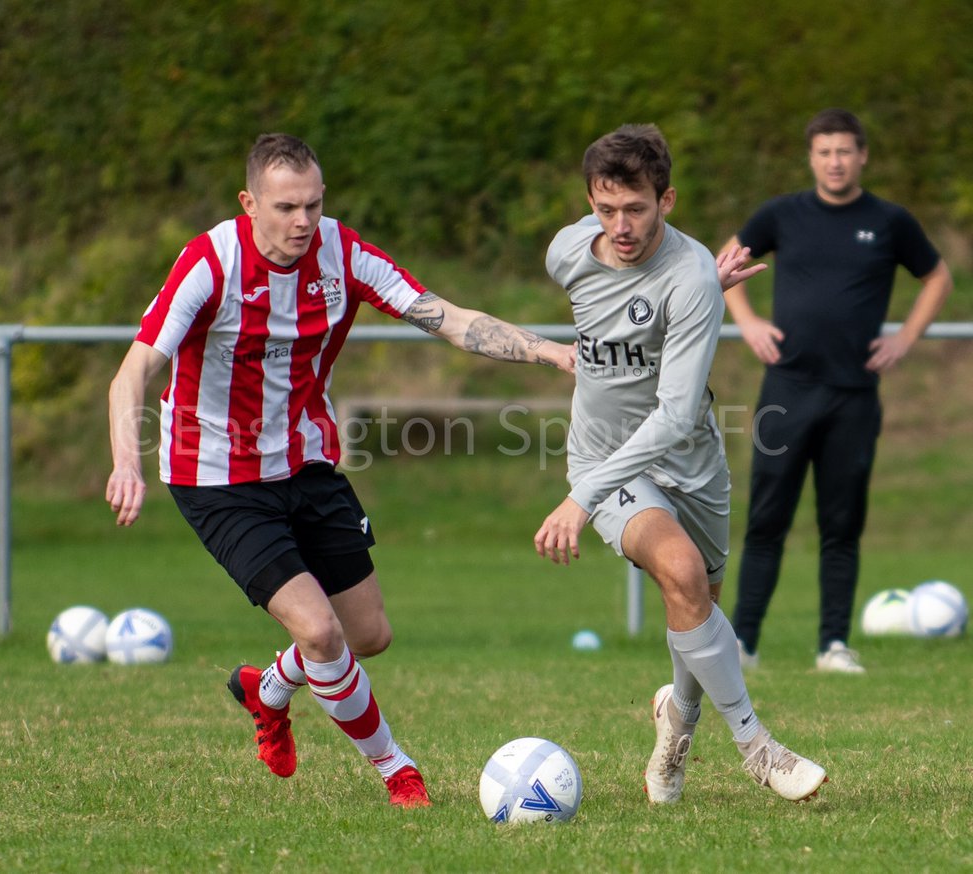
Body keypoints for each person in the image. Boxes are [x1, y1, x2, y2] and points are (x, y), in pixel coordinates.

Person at [106, 133, 576, 808]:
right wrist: (127, 460)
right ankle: (397, 769)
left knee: (366, 636)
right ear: (250, 204)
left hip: (306, 460)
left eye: (314, 205)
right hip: (217, 479)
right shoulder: (211, 262)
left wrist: (547, 351)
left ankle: (266, 689)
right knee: (320, 632)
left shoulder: (341, 252)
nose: (303, 221)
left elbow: (444, 317)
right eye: (287, 206)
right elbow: (134, 371)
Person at [533, 123, 827, 803]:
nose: (621, 225)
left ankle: (676, 722)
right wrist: (587, 493)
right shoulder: (567, 253)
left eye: (636, 208)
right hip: (606, 462)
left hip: (690, 461)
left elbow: (671, 416)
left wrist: (693, 289)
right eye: (605, 209)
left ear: (667, 199)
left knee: (695, 605)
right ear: (588, 203)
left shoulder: (692, 275)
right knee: (683, 570)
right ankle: (759, 749)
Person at [722, 108, 953, 674]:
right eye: (825, 151)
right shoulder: (781, 214)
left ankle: (833, 646)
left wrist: (904, 337)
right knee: (767, 521)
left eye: (845, 151)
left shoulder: (890, 221)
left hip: (853, 395)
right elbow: (723, 262)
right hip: (786, 391)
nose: (835, 161)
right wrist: (747, 321)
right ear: (811, 157)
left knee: (841, 523)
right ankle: (742, 645)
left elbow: (938, 278)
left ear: (862, 155)